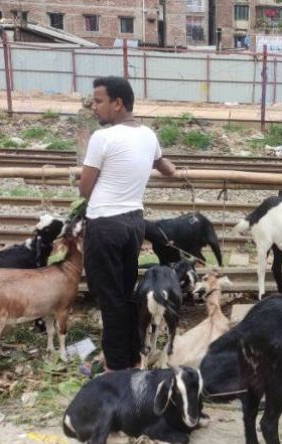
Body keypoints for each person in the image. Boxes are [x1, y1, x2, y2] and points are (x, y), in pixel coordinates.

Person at [79, 76, 176, 372]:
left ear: (118, 103)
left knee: (110, 300)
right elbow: (167, 169)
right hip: (134, 223)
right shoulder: (148, 135)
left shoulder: (102, 138)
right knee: (125, 293)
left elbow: (84, 189)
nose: (94, 107)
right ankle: (133, 358)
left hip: (105, 225)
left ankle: (116, 368)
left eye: (99, 101)